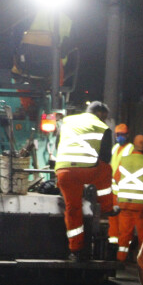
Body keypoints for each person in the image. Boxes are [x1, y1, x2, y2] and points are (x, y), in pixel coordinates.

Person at [54, 101, 119, 261]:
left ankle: (75, 250)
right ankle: (106, 207)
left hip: (64, 171)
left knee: (73, 208)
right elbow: (106, 157)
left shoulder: (67, 121)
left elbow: (57, 145)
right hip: (87, 171)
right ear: (101, 114)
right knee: (106, 169)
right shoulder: (103, 127)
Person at [114, 134, 143, 262]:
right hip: (141, 206)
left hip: (124, 204)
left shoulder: (124, 160)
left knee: (124, 233)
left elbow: (116, 179)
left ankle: (120, 259)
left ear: (134, 144)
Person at [107, 123, 133, 248]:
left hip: (123, 190)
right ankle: (113, 242)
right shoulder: (115, 148)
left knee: (124, 219)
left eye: (122, 134)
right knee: (113, 216)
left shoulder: (130, 148)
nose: (120, 137)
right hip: (113, 189)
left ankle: (124, 244)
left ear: (127, 135)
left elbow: (126, 167)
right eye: (118, 134)